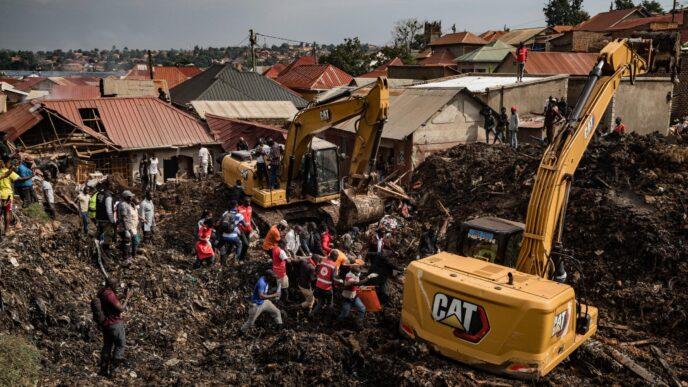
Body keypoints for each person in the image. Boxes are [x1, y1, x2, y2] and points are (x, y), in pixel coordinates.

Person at [98, 277, 127, 377]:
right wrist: (128, 297)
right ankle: (114, 372)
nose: (117, 287)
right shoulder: (110, 295)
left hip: (105, 325)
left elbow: (111, 304)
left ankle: (103, 369)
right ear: (112, 285)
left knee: (107, 346)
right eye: (116, 285)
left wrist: (122, 296)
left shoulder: (102, 292)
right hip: (115, 324)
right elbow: (121, 308)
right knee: (120, 345)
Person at [312, 250, 340, 315]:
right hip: (327, 289)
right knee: (330, 304)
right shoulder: (334, 266)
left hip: (318, 286)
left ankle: (311, 315)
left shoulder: (322, 262)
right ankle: (327, 320)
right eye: (337, 257)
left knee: (320, 303)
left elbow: (317, 272)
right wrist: (339, 282)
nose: (337, 259)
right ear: (334, 256)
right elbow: (334, 278)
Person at [116, 191, 139, 266]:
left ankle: (126, 257)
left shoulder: (126, 204)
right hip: (124, 227)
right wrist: (128, 230)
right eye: (130, 196)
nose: (132, 198)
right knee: (127, 242)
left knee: (126, 242)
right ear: (126, 197)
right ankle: (126, 258)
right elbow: (124, 218)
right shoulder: (123, 205)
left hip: (126, 227)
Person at [0, 159, 19, 238]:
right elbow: (7, 174)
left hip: (2, 195)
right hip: (7, 195)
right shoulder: (5, 171)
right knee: (6, 213)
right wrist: (13, 167)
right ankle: (6, 231)